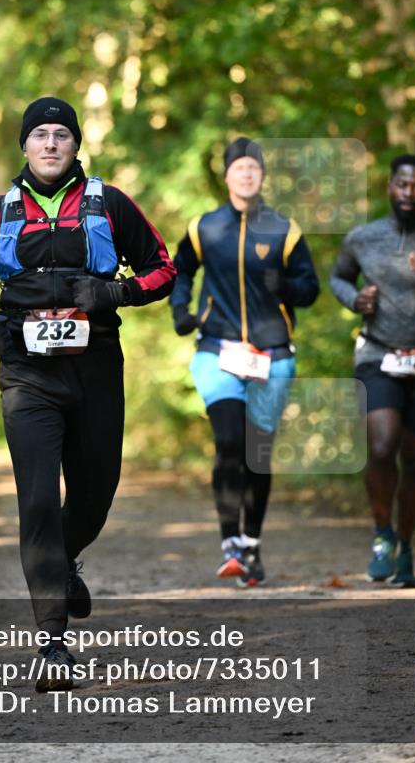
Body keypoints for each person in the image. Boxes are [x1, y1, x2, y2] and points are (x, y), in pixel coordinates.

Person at [0, 96, 176, 691]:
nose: (50, 144)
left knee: (95, 494)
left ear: (76, 145)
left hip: (97, 366)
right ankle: (52, 643)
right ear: (24, 147)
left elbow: (163, 268)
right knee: (35, 503)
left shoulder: (109, 203)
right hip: (27, 374)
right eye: (40, 135)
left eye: (61, 135)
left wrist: (115, 295)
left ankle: (64, 558)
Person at [170, 137, 320, 587]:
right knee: (230, 439)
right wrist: (181, 310)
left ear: (262, 175)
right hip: (217, 351)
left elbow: (310, 288)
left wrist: (286, 288)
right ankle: (230, 543)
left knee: (258, 453)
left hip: (272, 356)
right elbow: (179, 269)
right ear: (228, 175)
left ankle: (251, 542)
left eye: (254, 167)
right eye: (240, 168)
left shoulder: (284, 230)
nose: (247, 174)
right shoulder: (205, 227)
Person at [330, 153, 415, 588]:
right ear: (389, 187)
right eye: (402, 184)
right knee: (381, 446)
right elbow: (338, 278)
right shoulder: (363, 237)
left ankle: (407, 546)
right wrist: (355, 299)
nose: (409, 192)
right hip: (377, 354)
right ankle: (382, 535)